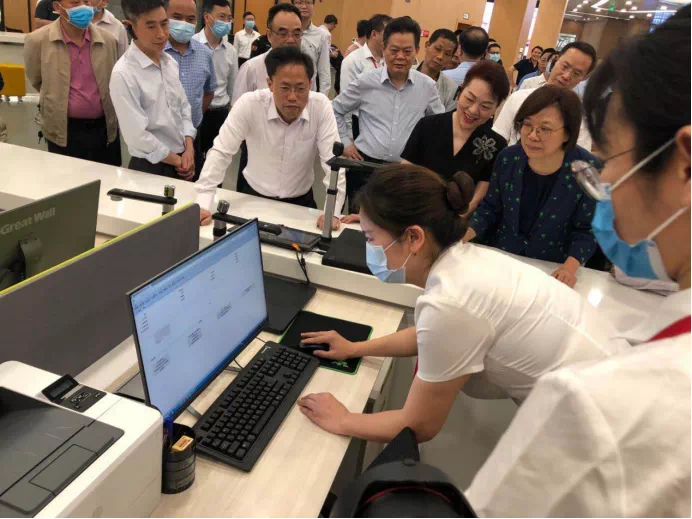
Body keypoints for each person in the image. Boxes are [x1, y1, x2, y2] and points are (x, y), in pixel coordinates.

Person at [467, 8, 690, 516]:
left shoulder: (598, 403)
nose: (603, 181)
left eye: (610, 158)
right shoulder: (509, 161)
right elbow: (493, 210)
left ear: (683, 164)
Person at [296, 164, 628, 445]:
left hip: (603, 422)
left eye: (370, 238)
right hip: (613, 385)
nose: (367, 247)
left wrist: (344, 419)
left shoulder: (452, 300)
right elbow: (431, 336)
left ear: (413, 237)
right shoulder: (466, 263)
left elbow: (420, 424)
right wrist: (356, 348)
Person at [196, 47, 345, 231]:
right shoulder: (250, 104)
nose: (292, 97)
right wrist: (203, 203)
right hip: (252, 198)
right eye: (284, 88)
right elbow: (221, 152)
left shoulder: (320, 107)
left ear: (310, 83)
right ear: (270, 84)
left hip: (300, 204)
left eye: (300, 88)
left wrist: (332, 213)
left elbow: (334, 164)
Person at [466, 85, 598, 287]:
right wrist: (464, 235)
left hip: (550, 269)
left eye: (544, 129)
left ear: (567, 133)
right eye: (527, 125)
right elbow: (490, 209)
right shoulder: (508, 158)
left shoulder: (586, 169)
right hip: (502, 260)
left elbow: (586, 230)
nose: (532, 135)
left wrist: (568, 269)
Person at [332, 16, 445, 211]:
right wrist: (345, 142)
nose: (400, 57)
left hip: (405, 172)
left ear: (417, 51)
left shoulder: (427, 86)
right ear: (384, 48)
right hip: (365, 168)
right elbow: (336, 108)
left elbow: (440, 124)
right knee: (358, 222)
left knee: (397, 224)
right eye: (394, 50)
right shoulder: (366, 82)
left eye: (407, 51)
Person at [402, 61, 509, 216]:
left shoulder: (496, 145)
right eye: (470, 99)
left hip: (459, 222)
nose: (473, 110)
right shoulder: (428, 125)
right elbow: (405, 172)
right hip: (416, 213)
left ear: (495, 109)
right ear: (460, 91)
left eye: (485, 106)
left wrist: (454, 221)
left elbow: (479, 196)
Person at [24, 0, 121, 166]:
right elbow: (37, 79)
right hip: (64, 130)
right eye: (75, 2)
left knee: (107, 178)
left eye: (86, 1)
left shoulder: (108, 40)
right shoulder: (38, 40)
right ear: (57, 7)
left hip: (103, 129)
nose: (83, 7)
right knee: (66, 177)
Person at [110, 0, 196, 180]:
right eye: (151, 26)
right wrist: (177, 161)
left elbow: (183, 108)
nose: (161, 34)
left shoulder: (169, 62)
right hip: (151, 166)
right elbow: (137, 136)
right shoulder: (124, 74)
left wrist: (189, 147)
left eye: (164, 24)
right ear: (130, 26)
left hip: (182, 157)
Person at [493, 41, 598, 151]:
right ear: (554, 62)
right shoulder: (519, 98)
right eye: (564, 66)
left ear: (583, 78)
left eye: (576, 73)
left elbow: (578, 156)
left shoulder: (581, 117)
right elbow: (498, 141)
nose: (566, 76)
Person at [232, 3, 315, 105]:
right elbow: (237, 109)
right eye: (283, 34)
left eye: (296, 34)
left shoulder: (306, 68)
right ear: (270, 35)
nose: (290, 40)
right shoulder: (251, 69)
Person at [193, 0, 238, 164]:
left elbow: (232, 87)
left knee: (216, 161)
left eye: (229, 18)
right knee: (195, 159)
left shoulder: (230, 51)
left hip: (220, 113)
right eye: (222, 17)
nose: (226, 22)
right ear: (207, 17)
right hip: (196, 112)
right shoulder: (191, 44)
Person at [338, 14, 391, 142]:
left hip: (384, 124)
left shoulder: (389, 60)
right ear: (374, 34)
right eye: (388, 34)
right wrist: (348, 135)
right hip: (359, 123)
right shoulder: (353, 60)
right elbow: (345, 100)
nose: (391, 39)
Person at [291, 0, 331, 96]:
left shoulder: (321, 36)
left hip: (308, 95)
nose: (304, 6)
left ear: (313, 6)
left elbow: (324, 72)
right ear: (292, 5)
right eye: (299, 2)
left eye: (308, 2)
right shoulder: (284, 33)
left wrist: (322, 98)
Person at [417, 29, 459, 111]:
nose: (440, 57)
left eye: (447, 54)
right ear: (427, 46)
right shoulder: (406, 74)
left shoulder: (451, 89)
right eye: (437, 49)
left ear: (451, 57)